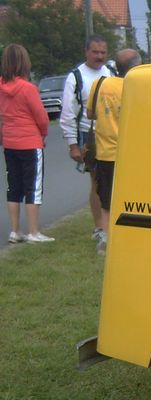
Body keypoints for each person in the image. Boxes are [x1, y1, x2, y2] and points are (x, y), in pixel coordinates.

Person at [87, 48, 142, 255]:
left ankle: (106, 238)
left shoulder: (100, 84)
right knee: (132, 198)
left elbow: (90, 113)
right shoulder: (136, 87)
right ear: (136, 66)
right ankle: (130, 236)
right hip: (130, 153)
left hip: (105, 152)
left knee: (107, 200)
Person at [59, 34, 111, 242]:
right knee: (97, 182)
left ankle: (110, 224)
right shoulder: (76, 77)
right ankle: (99, 227)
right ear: (86, 52)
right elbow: (67, 113)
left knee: (111, 182)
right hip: (89, 136)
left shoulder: (111, 72)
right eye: (95, 52)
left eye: (103, 52)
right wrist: (73, 145)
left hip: (111, 134)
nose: (99, 56)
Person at [0, 44, 51, 243]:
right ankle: (33, 232)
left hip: (10, 142)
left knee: (14, 186)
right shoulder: (28, 88)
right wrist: (43, 134)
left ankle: (15, 231)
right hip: (30, 141)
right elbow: (42, 117)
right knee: (33, 187)